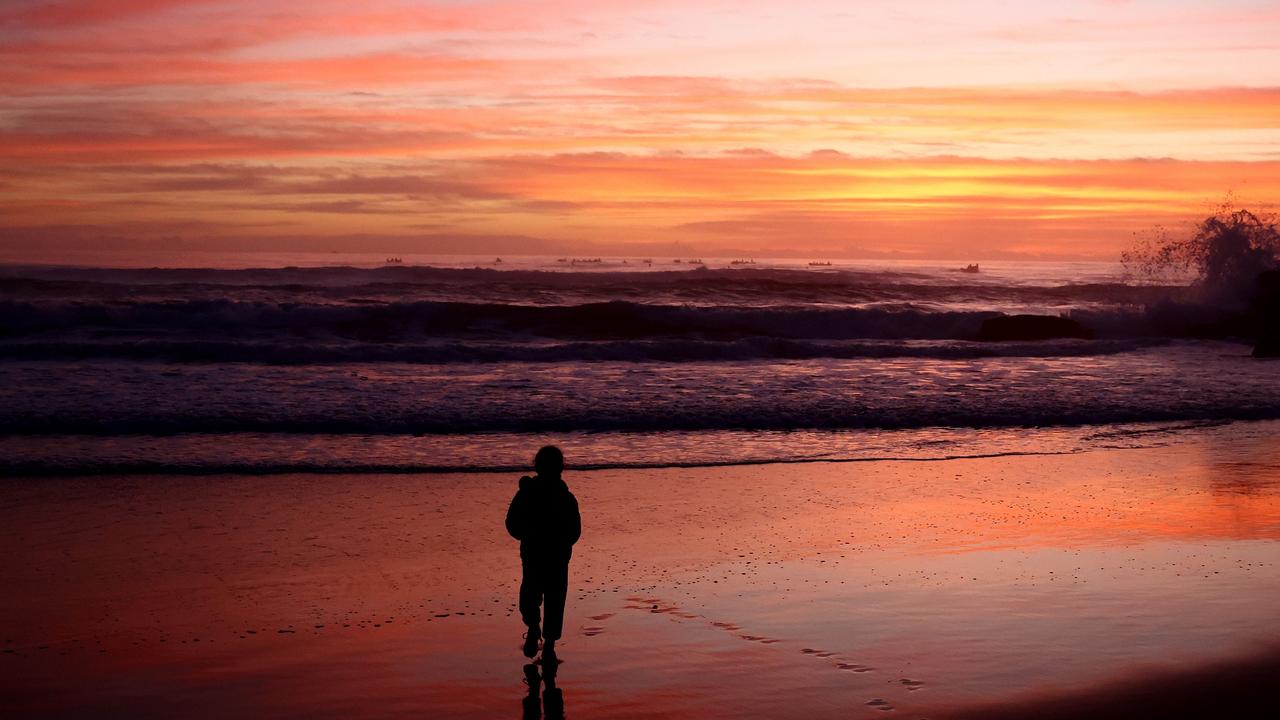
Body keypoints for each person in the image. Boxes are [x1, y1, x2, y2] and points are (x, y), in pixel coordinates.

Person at [506, 445, 581, 659]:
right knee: (540, 598)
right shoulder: (531, 494)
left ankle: (546, 643)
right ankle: (537, 632)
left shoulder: (564, 497)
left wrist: (526, 536)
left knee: (545, 598)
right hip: (541, 554)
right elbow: (512, 522)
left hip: (546, 554)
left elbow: (574, 530)